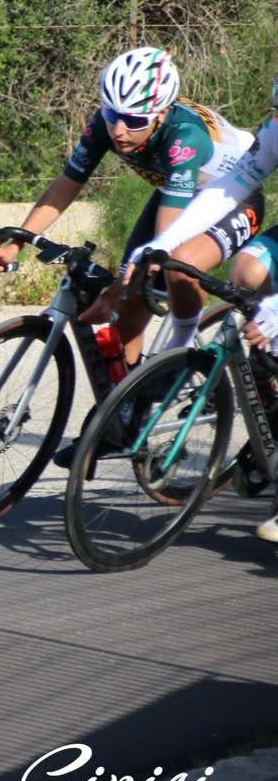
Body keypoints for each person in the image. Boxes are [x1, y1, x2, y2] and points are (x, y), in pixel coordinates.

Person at [0, 47, 258, 465]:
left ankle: (180, 354)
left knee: (177, 267)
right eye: (112, 115)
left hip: (233, 199)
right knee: (127, 312)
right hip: (176, 192)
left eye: (135, 121)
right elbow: (67, 183)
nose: (120, 130)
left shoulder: (185, 138)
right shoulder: (107, 123)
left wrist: (124, 285)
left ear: (161, 113)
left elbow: (164, 242)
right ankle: (124, 418)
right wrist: (18, 239)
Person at [131, 72, 278, 539]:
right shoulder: (276, 129)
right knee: (245, 273)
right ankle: (268, 424)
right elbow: (231, 186)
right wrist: (166, 242)